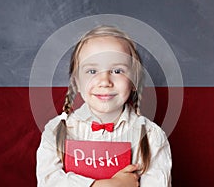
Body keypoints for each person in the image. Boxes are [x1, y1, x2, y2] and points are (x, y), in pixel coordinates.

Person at [36, 25, 172, 187]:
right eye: (92, 71)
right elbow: (48, 182)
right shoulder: (56, 130)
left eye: (117, 71)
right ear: (76, 82)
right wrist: (106, 185)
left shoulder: (152, 136)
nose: (105, 82)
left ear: (134, 80)